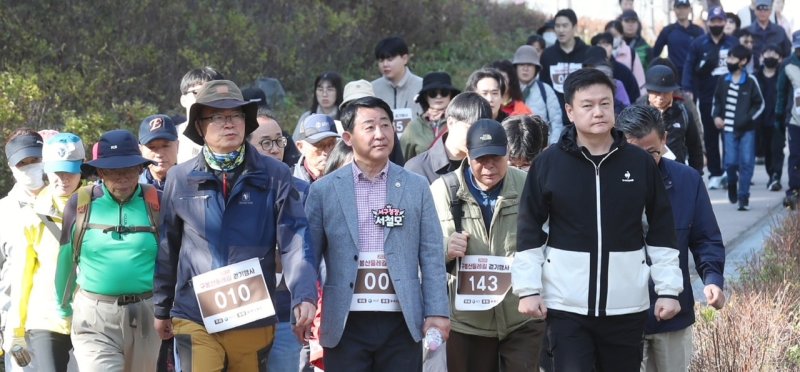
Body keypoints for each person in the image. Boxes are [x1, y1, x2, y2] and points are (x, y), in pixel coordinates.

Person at [512, 68, 682, 371]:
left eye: (605, 104)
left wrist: (668, 290)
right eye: (587, 105)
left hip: (627, 304)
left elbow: (661, 229)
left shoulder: (639, 162)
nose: (598, 112)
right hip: (566, 306)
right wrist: (528, 288)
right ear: (569, 110)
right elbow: (529, 229)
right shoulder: (548, 164)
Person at [152, 80, 318, 371]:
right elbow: (169, 246)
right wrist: (162, 307)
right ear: (200, 126)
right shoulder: (179, 178)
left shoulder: (275, 174)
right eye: (217, 116)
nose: (229, 123)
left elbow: (294, 240)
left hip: (252, 314)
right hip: (194, 313)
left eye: (236, 115)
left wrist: (304, 295)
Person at [304, 96, 450, 371]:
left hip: (401, 320)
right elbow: (308, 257)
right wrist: (304, 305)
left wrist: (437, 311)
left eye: (386, 125)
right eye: (369, 127)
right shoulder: (323, 190)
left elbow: (431, 254)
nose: (380, 134)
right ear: (348, 137)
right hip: (345, 321)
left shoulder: (415, 186)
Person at [615, 105, 726, 372]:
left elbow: (705, 238)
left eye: (651, 152)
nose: (642, 162)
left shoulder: (687, 180)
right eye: (634, 153)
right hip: (619, 316)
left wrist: (712, 278)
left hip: (672, 313)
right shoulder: (603, 183)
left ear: (664, 140)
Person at [430, 119, 545, 372]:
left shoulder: (528, 185)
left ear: (507, 154)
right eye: (481, 159)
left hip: (521, 318)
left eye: (497, 157)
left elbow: (550, 239)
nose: (489, 166)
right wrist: (445, 248)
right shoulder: (442, 190)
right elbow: (419, 249)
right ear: (468, 156)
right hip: (465, 322)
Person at [54, 130, 161, 371]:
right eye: (112, 171)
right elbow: (66, 258)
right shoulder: (81, 203)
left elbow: (173, 261)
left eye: (128, 169)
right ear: (100, 173)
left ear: (140, 169)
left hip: (147, 313)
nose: (121, 178)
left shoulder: (157, 203)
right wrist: (63, 306)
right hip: (93, 317)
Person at [4, 133, 84, 372]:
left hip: (91, 316)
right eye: (56, 171)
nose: (63, 179)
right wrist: (15, 329)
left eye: (69, 170)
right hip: (45, 318)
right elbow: (21, 274)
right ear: (47, 170)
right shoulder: (32, 213)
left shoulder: (99, 205)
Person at [1, 129, 45, 372]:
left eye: (35, 160)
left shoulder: (70, 203)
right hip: (19, 330)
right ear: (11, 167)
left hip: (63, 326)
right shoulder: (3, 212)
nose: (31, 168)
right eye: (23, 163)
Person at [682, 6, 738, 189]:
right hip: (707, 97)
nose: (717, 24)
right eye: (713, 21)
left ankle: (731, 172)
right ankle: (715, 172)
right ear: (708, 23)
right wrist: (687, 88)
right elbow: (689, 67)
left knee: (730, 135)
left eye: (720, 21)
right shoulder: (698, 44)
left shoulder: (733, 43)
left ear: (725, 22)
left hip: (731, 96)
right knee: (711, 136)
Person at [712, 44, 765, 211]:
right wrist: (716, 117)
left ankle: (743, 197)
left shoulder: (750, 81)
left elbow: (760, 104)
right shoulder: (722, 80)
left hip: (747, 130)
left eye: (732, 58)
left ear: (743, 61)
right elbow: (717, 102)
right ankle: (732, 183)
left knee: (747, 163)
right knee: (730, 162)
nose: (729, 61)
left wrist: (748, 119)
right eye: (728, 58)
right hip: (728, 130)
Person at [405, 92, 493, 184]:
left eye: (481, 131)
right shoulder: (417, 168)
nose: (476, 136)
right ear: (451, 123)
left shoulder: (490, 165)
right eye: (471, 129)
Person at [638, 65, 704, 173]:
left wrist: (696, 175)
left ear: (672, 92)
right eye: (657, 92)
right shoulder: (636, 114)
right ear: (648, 91)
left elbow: (695, 147)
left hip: (676, 174)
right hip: (645, 174)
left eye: (665, 92)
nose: (661, 97)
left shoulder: (683, 114)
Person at [538, 8, 590, 126]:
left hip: (583, 116)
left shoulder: (587, 53)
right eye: (557, 26)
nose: (561, 30)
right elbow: (544, 86)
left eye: (565, 26)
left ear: (574, 27)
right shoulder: (547, 54)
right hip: (555, 119)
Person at [371, 36, 424, 136]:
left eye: (390, 59)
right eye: (381, 60)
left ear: (405, 59)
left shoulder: (422, 86)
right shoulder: (372, 88)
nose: (385, 64)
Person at [401, 72, 460, 160]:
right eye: (433, 93)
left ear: (451, 95)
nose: (439, 96)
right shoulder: (413, 127)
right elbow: (404, 162)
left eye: (444, 92)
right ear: (425, 97)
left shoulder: (460, 122)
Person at [513, 45, 563, 143]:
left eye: (530, 65)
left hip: (542, 148)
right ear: (515, 67)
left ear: (536, 68)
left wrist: (552, 147)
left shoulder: (545, 89)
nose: (525, 69)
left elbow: (556, 123)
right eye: (521, 64)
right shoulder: (509, 90)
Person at [176, 66, 224, 164]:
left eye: (212, 92)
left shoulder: (232, 135)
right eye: (198, 92)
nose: (205, 98)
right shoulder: (172, 136)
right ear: (183, 100)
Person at [652, 0, 705, 83]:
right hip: (674, 77)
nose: (681, 11)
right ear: (674, 10)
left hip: (695, 77)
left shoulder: (698, 31)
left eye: (684, 8)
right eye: (679, 8)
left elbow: (705, 53)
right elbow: (655, 53)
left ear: (689, 9)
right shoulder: (668, 30)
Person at [776, 31, 800, 209]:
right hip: (795, 120)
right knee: (795, 156)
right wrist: (779, 116)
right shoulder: (787, 65)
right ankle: (794, 189)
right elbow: (781, 93)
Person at [755, 44, 784, 190]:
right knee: (766, 150)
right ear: (761, 57)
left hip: (778, 120)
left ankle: (776, 177)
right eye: (767, 53)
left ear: (780, 58)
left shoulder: (782, 75)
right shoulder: (755, 77)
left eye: (774, 54)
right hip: (761, 120)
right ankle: (771, 174)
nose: (770, 56)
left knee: (777, 149)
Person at [590, 33, 642, 102]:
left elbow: (634, 95)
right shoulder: (585, 68)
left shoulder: (623, 71)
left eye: (606, 45)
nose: (602, 49)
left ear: (612, 47)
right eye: (599, 45)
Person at [293, 72, 344, 139]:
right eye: (320, 90)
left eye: (330, 89)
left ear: (338, 92)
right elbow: (295, 143)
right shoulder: (306, 118)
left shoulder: (345, 118)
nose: (324, 94)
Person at [293, 113, 341, 183]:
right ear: (301, 147)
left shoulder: (348, 178)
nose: (326, 152)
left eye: (331, 144)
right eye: (319, 145)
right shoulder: (289, 182)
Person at [138, 114, 179, 191]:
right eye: (152, 147)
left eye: (165, 146)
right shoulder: (132, 189)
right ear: (141, 150)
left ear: (177, 146)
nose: (159, 154)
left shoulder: (194, 185)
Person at [748, 0, 792, 69]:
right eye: (759, 8)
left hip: (776, 72)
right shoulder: (747, 32)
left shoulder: (779, 31)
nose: (762, 12)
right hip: (754, 72)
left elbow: (788, 53)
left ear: (771, 11)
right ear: (755, 11)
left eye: (766, 9)